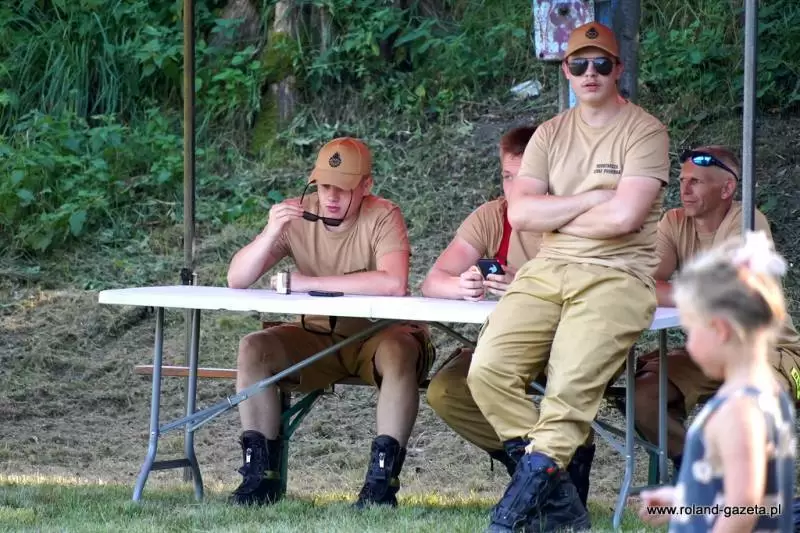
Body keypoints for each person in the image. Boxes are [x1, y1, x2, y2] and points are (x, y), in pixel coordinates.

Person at [466, 21, 671, 532]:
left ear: (618, 68)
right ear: (566, 70)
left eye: (601, 63)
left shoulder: (645, 131)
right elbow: (520, 213)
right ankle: (562, 507)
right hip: (548, 269)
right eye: (579, 63)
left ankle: (512, 515)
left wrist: (554, 213)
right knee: (486, 371)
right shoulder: (550, 133)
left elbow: (625, 218)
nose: (590, 72)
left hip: (617, 275)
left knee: (568, 390)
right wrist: (593, 198)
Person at [225, 137, 435, 508]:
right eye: (324, 186)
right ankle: (260, 478)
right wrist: (270, 232)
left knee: (399, 351)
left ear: (366, 186)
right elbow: (237, 278)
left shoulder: (383, 214)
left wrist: (309, 283)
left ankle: (381, 485)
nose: (331, 197)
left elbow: (393, 282)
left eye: (343, 188)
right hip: (319, 335)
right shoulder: (298, 214)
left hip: (377, 335)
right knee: (253, 348)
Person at [421, 125, 596, 508]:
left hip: (569, 345)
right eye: (507, 176)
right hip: (506, 345)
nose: (514, 188)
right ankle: (536, 473)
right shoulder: (493, 216)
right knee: (446, 391)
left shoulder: (580, 219)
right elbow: (432, 281)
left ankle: (553, 475)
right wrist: (461, 285)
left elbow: (600, 294)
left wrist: (528, 285)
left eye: (524, 176)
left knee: (567, 390)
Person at [631, 145, 800, 479]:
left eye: (696, 182)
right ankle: (698, 470)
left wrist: (677, 293)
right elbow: (643, 282)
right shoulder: (674, 221)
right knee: (643, 396)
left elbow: (730, 294)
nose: (684, 189)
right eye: (682, 180)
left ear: (727, 189)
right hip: (711, 353)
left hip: (768, 353)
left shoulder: (748, 221)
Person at [638, 231, 795, 532]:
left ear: (720, 329)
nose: (688, 344)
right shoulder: (768, 395)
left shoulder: (740, 412)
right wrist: (683, 501)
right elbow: (755, 499)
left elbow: (744, 510)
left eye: (690, 329)